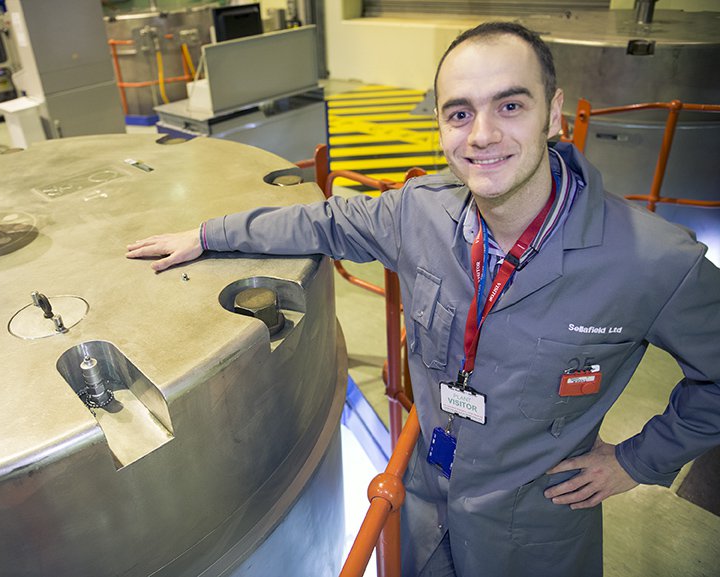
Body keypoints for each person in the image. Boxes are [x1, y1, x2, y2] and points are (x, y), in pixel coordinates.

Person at [126, 22, 720, 577]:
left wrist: (637, 462)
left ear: (554, 115)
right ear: (439, 126)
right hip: (423, 513)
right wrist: (207, 236)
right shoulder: (420, 212)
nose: (482, 135)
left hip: (532, 536)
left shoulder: (650, 261)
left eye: (510, 106)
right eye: (460, 113)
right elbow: (321, 223)